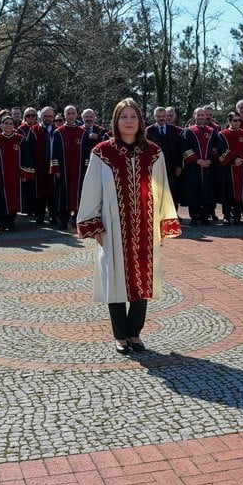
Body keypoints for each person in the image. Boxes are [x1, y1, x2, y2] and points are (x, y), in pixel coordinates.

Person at [76, 98, 180, 355]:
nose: (129, 121)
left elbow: (162, 188)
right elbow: (91, 191)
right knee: (115, 281)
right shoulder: (102, 152)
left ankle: (135, 332)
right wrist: (95, 225)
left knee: (142, 281)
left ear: (140, 121)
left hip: (145, 227)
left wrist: (161, 222)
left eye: (133, 116)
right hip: (112, 228)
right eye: (124, 116)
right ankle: (120, 335)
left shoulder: (153, 152)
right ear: (116, 121)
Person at [0, 111, 32, 232]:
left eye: (11, 123)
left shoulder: (20, 140)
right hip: (0, 176)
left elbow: (26, 158)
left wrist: (25, 173)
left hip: (15, 176)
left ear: (14, 126)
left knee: (14, 198)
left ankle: (11, 221)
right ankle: (1, 222)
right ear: (1, 125)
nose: (8, 125)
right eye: (6, 123)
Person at [180, 107, 222, 226]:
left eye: (203, 115)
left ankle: (204, 217)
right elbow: (185, 149)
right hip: (193, 167)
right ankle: (194, 217)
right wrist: (197, 160)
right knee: (193, 192)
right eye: (198, 115)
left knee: (208, 192)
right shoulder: (188, 131)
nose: (201, 117)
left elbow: (215, 148)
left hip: (208, 167)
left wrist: (209, 160)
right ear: (194, 116)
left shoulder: (212, 131)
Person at [50, 105, 86, 230]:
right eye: (68, 113)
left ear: (77, 115)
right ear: (64, 115)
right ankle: (63, 220)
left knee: (78, 195)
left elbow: (87, 153)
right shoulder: (58, 132)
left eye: (73, 113)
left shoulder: (83, 133)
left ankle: (76, 219)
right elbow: (54, 152)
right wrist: (56, 169)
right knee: (63, 195)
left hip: (78, 170)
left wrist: (85, 169)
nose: (71, 116)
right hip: (63, 171)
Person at [146, 106, 182, 216]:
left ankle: (173, 215)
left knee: (172, 191)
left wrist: (178, 166)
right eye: (158, 116)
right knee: (157, 192)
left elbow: (178, 149)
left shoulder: (173, 130)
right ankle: (158, 215)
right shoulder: (149, 131)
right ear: (154, 117)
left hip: (171, 166)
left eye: (163, 116)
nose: (161, 118)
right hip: (155, 167)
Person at [20, 107, 52, 225]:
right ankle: (40, 216)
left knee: (52, 191)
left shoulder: (57, 130)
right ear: (41, 117)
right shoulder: (34, 130)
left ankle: (53, 216)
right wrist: (29, 167)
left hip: (53, 165)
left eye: (50, 116)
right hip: (39, 165)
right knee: (40, 192)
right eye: (45, 116)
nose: (48, 118)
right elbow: (28, 150)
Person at [218, 113, 243, 225]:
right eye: (235, 120)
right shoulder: (222, 135)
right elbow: (221, 151)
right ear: (229, 121)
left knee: (240, 193)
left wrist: (241, 159)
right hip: (227, 168)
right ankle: (226, 216)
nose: (238, 122)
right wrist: (233, 160)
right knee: (227, 193)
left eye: (239, 120)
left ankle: (237, 216)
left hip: (242, 169)